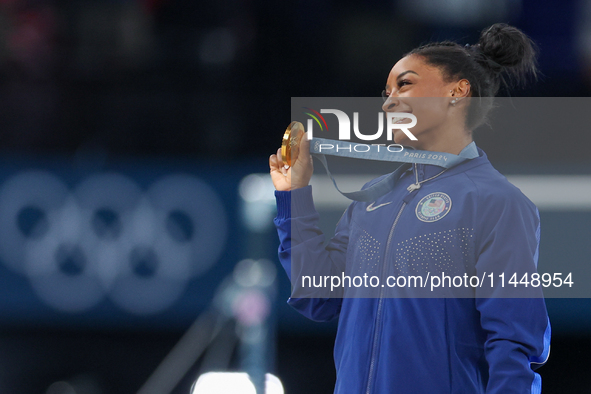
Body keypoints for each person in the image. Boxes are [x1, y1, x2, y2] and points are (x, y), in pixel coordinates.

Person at [269, 23, 551, 394]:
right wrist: (295, 196)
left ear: (457, 91)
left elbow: (514, 341)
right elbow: (318, 296)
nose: (388, 102)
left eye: (404, 84)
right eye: (385, 92)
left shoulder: (497, 202)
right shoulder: (373, 198)